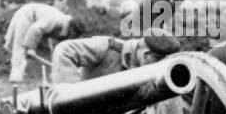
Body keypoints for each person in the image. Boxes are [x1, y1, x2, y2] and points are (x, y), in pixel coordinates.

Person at [3, 2, 85, 83]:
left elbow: (57, 47)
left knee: (16, 47)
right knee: (19, 47)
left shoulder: (64, 26)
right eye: (75, 35)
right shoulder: (57, 21)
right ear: (73, 30)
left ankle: (17, 68)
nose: (74, 37)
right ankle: (16, 78)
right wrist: (31, 49)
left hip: (32, 16)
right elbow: (35, 29)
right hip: (27, 15)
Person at [51, 33, 181, 83]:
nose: (158, 66)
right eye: (157, 60)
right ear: (145, 54)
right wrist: (71, 97)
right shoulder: (107, 47)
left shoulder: (145, 68)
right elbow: (65, 50)